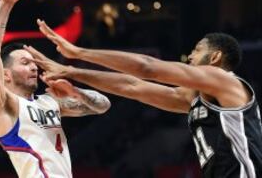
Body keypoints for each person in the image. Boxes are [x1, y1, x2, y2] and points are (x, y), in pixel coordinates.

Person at [25, 19, 262, 178]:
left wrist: (78, 53)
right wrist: (72, 72)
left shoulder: (224, 80)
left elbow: (148, 68)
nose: (190, 55)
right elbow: (132, 86)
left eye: (197, 49)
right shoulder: (193, 98)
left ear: (215, 57)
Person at [0, 0, 111, 178]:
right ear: (5, 75)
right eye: (25, 63)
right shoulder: (4, 106)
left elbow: (104, 105)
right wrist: (6, 4)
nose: (34, 68)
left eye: (34, 63)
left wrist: (77, 93)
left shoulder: (50, 102)